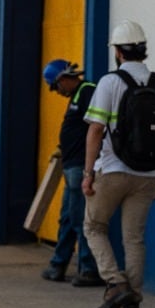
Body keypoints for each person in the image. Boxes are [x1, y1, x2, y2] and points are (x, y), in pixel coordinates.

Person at [82, 20, 155, 308]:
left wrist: (87, 173)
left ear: (118, 52)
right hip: (148, 175)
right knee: (134, 239)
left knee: (94, 227)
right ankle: (132, 305)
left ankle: (116, 284)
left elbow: (96, 129)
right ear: (142, 49)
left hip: (111, 170)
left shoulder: (110, 83)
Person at [39, 59, 103, 287]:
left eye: (56, 87)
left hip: (80, 167)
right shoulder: (76, 97)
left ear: (63, 79)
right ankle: (58, 264)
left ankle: (88, 269)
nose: (58, 92)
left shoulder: (87, 91)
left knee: (79, 219)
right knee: (67, 218)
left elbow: (98, 126)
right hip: (71, 166)